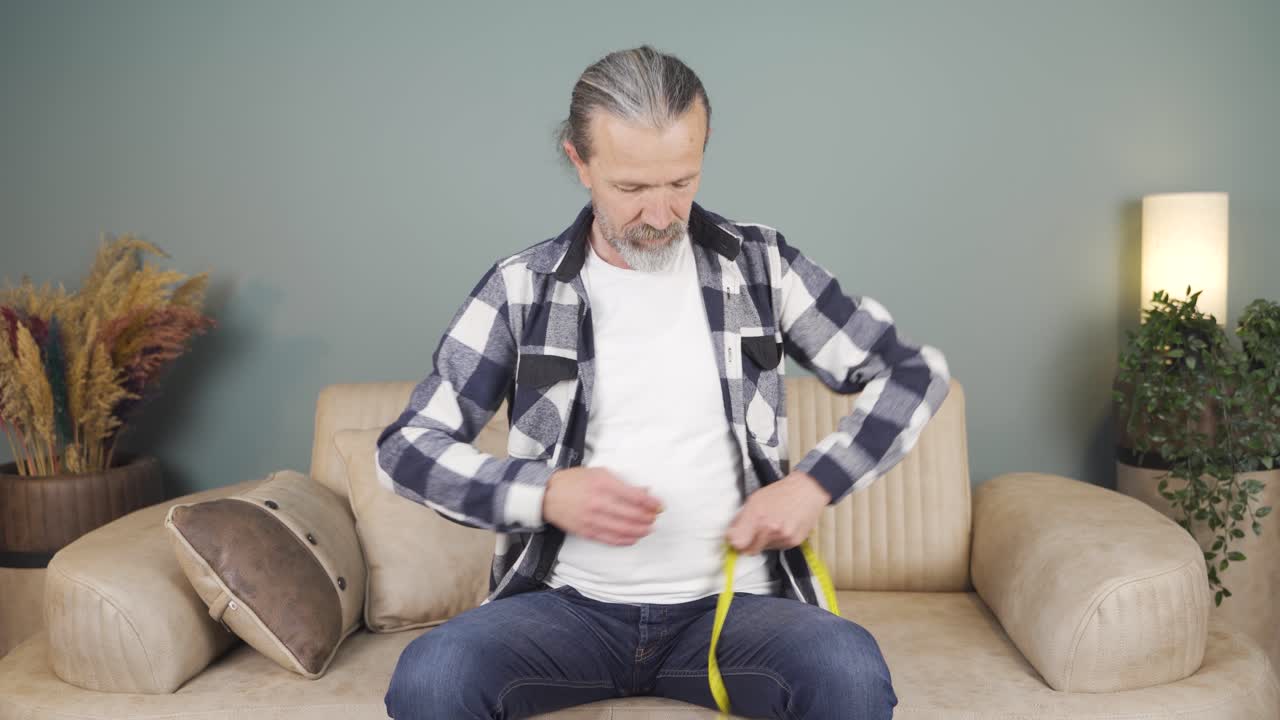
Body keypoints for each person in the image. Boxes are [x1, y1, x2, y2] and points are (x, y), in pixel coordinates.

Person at [377, 45, 950, 720]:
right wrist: (544, 492)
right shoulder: (520, 288)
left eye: (681, 182)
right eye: (631, 189)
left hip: (736, 614)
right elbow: (405, 450)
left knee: (849, 669)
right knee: (433, 676)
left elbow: (913, 373)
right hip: (566, 612)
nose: (659, 215)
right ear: (579, 162)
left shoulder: (762, 267)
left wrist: (812, 484)